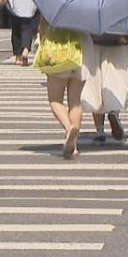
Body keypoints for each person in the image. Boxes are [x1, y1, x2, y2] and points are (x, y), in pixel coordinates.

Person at [38, 19, 86, 160]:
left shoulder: (53, 3)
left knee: (55, 99)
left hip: (57, 48)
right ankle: (74, 146)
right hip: (80, 50)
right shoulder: (85, 3)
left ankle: (69, 127)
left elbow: (43, 26)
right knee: (75, 101)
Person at [84, 17, 128, 144]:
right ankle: (114, 111)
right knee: (116, 78)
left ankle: (100, 131)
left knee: (95, 81)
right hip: (119, 35)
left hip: (93, 36)